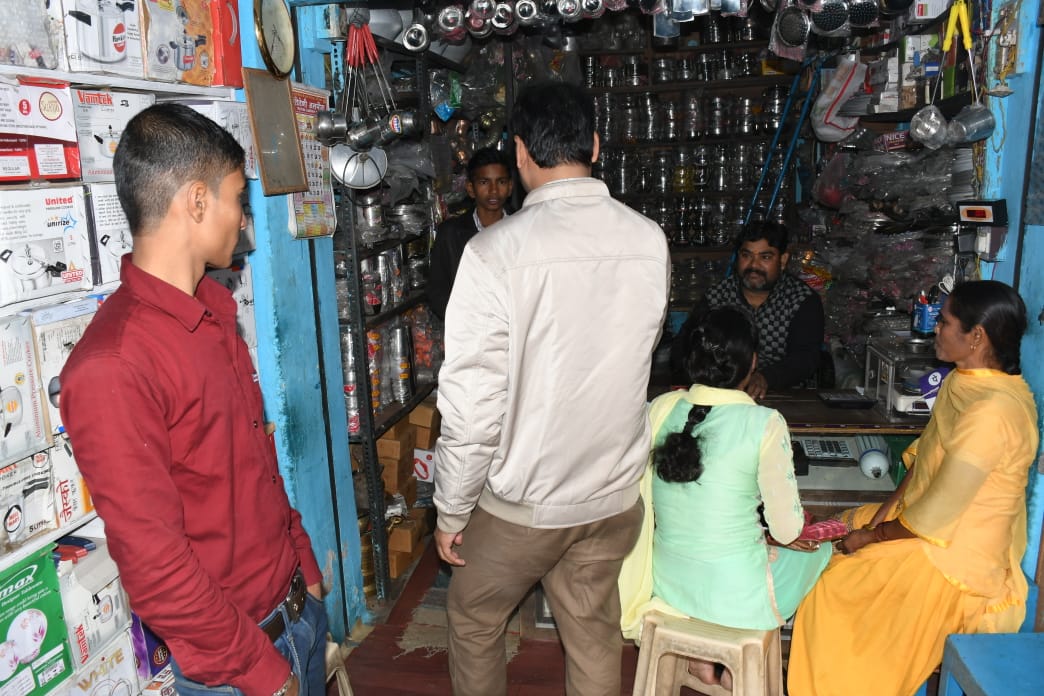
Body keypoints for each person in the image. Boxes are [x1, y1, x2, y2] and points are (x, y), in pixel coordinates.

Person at [59, 104, 327, 696]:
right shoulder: (113, 366)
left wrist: (303, 566)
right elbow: (157, 569)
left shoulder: (213, 309)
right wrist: (263, 673)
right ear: (198, 202)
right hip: (242, 666)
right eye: (238, 200)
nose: (244, 221)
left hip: (296, 614)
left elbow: (255, 465)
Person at [433, 81, 671, 696]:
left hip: (527, 506)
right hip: (611, 497)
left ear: (519, 153)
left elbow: (473, 406)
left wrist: (452, 508)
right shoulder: (648, 239)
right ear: (594, 144)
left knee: (474, 616)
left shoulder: (493, 252)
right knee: (591, 630)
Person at [787, 280, 1039, 696]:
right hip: (924, 524)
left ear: (976, 336)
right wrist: (880, 514)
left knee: (834, 590)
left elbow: (937, 514)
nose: (934, 328)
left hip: (955, 557)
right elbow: (925, 461)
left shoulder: (993, 412)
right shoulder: (963, 382)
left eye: (945, 322)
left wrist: (872, 537)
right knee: (834, 534)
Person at [620, 307, 831, 690]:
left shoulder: (661, 408)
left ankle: (704, 661)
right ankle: (752, 673)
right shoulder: (764, 422)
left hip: (669, 584)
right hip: (736, 596)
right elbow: (787, 530)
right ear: (753, 362)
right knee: (823, 553)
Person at [671, 221, 824, 399]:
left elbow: (806, 357)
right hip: (722, 396)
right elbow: (682, 349)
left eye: (765, 257)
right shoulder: (716, 298)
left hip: (785, 397)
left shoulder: (802, 300)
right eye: (746, 255)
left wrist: (766, 378)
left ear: (782, 260)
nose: (754, 266)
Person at [427, 147, 513, 319]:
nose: (494, 190)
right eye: (484, 182)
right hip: (469, 328)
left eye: (501, 182)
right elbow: (437, 293)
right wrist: (466, 322)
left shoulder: (523, 230)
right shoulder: (450, 234)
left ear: (510, 187)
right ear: (471, 188)